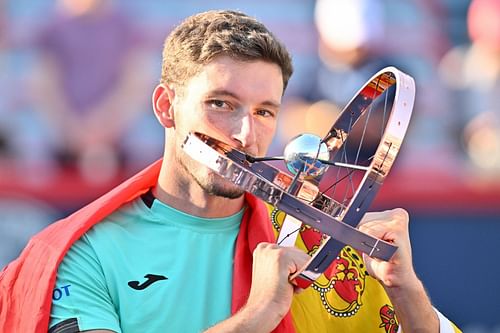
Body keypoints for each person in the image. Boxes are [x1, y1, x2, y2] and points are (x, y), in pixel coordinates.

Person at [0, 10, 460, 333]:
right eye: (221, 104)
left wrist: (406, 290)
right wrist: (260, 313)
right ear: (166, 106)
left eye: (264, 112)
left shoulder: (316, 241)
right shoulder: (85, 254)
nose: (244, 134)